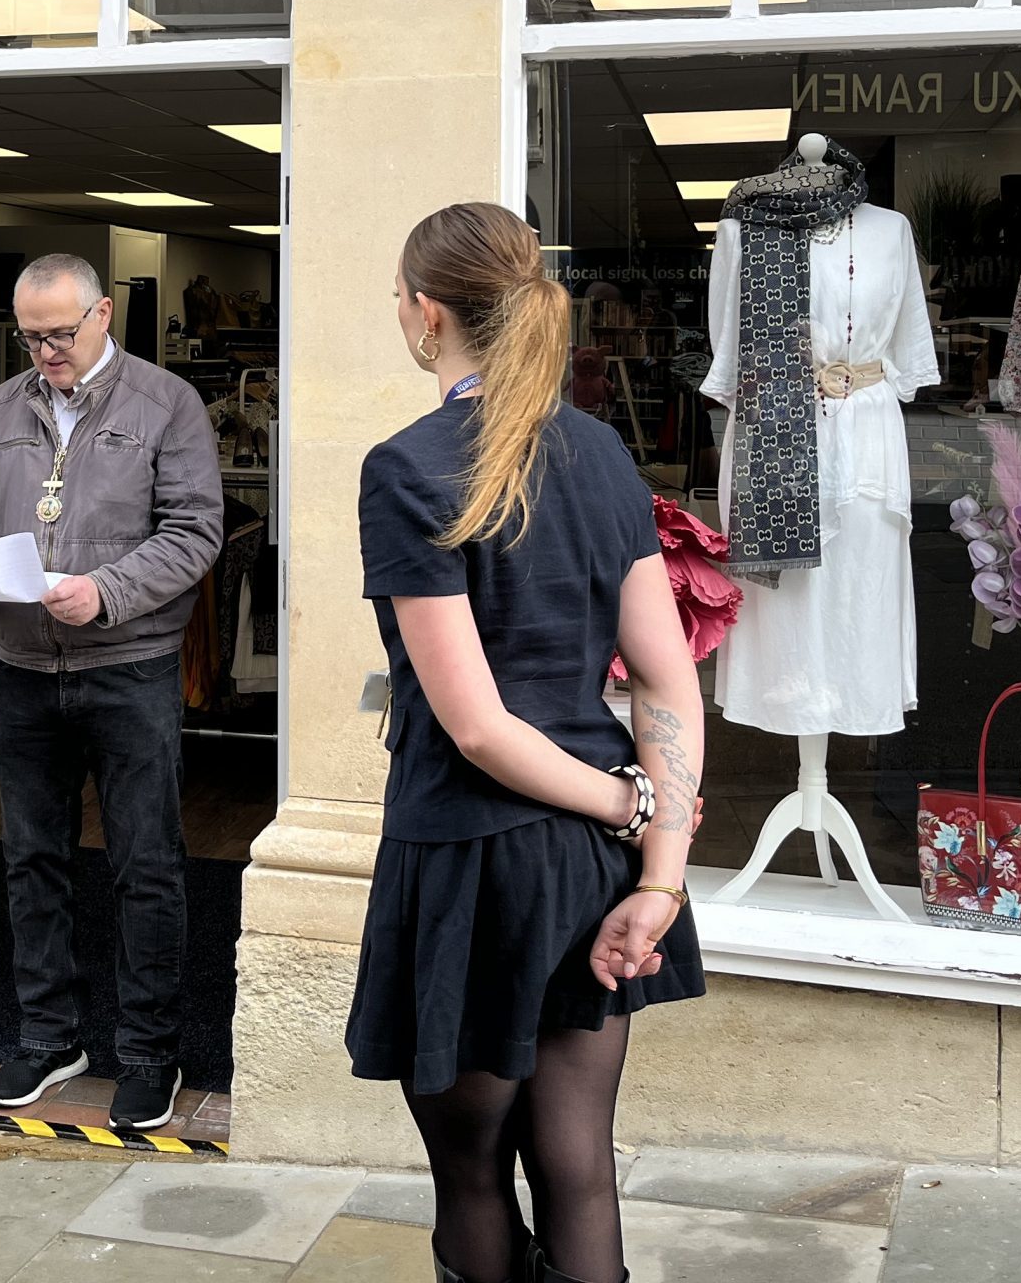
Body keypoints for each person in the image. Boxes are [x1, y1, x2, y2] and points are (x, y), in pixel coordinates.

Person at [348, 204, 705, 1283]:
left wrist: (627, 804)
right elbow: (666, 677)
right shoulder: (600, 452)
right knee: (577, 1162)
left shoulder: (407, 467)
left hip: (471, 859)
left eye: (399, 301)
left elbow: (476, 727)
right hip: (593, 865)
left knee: (471, 1175)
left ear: (426, 315)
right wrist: (660, 869)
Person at [0, 253, 224, 1132]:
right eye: (31, 337)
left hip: (130, 667)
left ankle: (150, 1053)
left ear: (103, 315)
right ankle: (50, 1038)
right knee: (33, 862)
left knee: (147, 866)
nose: (46, 351)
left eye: (61, 333)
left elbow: (196, 530)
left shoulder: (167, 404)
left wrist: (109, 591)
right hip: (20, 671)